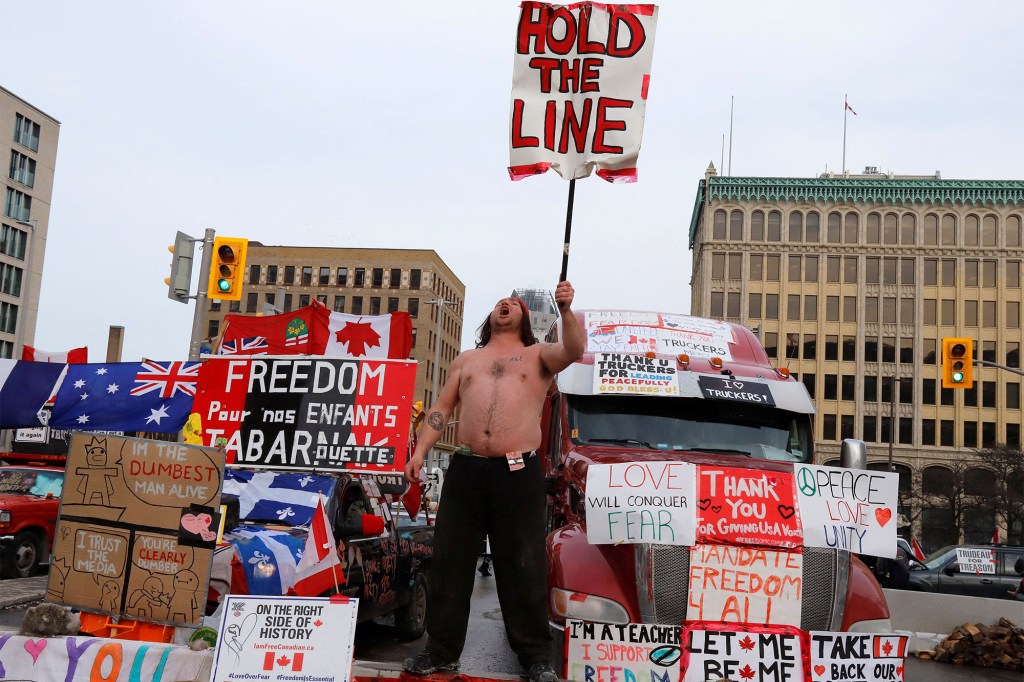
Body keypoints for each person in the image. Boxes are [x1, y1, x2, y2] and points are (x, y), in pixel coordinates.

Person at [403, 282, 584, 682]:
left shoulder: (538, 356)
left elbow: (574, 350)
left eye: (513, 304)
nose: (505, 304)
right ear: (491, 319)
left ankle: (536, 657)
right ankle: (441, 650)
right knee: (450, 562)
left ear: (523, 318)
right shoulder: (467, 360)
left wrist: (566, 311)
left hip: (517, 473)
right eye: (500, 303)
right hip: (466, 470)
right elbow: (441, 410)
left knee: (523, 564)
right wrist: (418, 453)